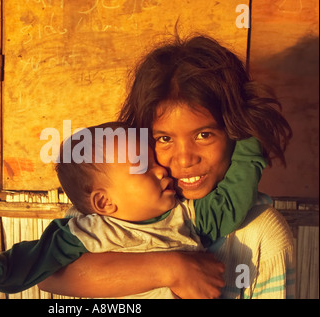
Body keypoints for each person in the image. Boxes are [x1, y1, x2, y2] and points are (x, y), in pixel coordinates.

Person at [38, 35, 295, 299]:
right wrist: (171, 269)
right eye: (164, 139)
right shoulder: (110, 212)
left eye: (204, 135)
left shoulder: (261, 234)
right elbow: (49, 274)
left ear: (235, 132)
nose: (184, 160)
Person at [0, 121, 266, 298]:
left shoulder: (187, 214)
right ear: (105, 202)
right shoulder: (91, 232)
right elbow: (34, 258)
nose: (162, 170)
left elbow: (232, 201)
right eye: (145, 168)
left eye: (155, 162)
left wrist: (250, 139)